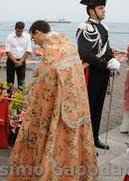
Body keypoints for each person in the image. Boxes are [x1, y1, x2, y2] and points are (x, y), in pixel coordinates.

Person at [10, 20, 98, 181]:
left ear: (37, 32)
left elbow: (47, 82)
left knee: (52, 136)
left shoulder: (51, 50)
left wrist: (33, 88)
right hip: (76, 102)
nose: (34, 43)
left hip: (58, 105)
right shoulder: (67, 43)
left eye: (33, 38)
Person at [76, 0, 120, 150]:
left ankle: (94, 137)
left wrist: (112, 59)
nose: (104, 11)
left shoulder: (104, 28)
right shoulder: (84, 27)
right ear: (91, 10)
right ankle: (83, 141)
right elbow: (84, 52)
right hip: (91, 72)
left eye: (103, 8)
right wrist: (103, 63)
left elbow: (107, 49)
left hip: (102, 73)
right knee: (88, 106)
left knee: (98, 106)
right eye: (101, 8)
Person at [5, 21, 32, 88]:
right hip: (11, 61)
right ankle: (9, 95)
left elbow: (28, 50)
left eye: (21, 31)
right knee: (10, 81)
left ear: (23, 29)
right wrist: (15, 61)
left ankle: (20, 97)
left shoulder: (27, 37)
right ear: (15, 29)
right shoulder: (9, 37)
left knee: (21, 81)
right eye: (18, 31)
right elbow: (7, 51)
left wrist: (20, 61)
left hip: (22, 61)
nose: (19, 33)